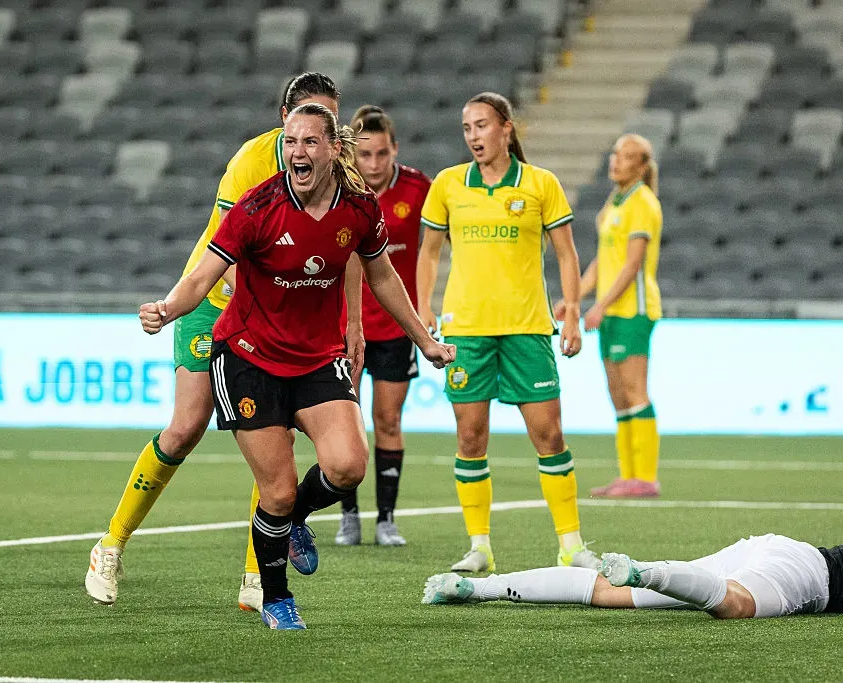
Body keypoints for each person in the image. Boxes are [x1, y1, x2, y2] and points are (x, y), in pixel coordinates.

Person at [137, 103, 455, 629]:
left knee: (348, 467)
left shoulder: (358, 208)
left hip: (316, 359)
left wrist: (424, 339)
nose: (297, 153)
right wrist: (167, 309)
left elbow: (383, 278)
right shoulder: (257, 207)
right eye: (290, 142)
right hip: (248, 359)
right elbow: (202, 278)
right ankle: (277, 597)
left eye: (310, 142)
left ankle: (297, 519)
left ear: (333, 148)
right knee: (277, 491)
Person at [83, 73, 360, 613]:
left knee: (281, 438)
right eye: (304, 118)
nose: (314, 134)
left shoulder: (337, 171)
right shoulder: (250, 162)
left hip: (279, 315)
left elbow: (344, 250)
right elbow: (229, 258)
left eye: (327, 124)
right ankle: (110, 546)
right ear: (284, 117)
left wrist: (352, 324)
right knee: (185, 428)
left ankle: (257, 577)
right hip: (212, 302)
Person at [416, 92, 593, 574]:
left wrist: (573, 312)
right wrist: (423, 308)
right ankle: (480, 548)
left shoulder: (540, 184)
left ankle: (571, 546)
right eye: (467, 128)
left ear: (506, 129)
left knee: (550, 436)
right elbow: (428, 253)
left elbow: (567, 254)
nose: (473, 136)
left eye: (482, 126)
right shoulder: (449, 184)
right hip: (465, 332)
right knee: (470, 438)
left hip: (527, 329)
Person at [334, 105, 432, 548]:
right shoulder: (337, 190)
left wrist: (427, 307)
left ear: (395, 150)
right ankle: (348, 516)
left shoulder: (419, 189)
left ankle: (386, 519)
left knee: (387, 419)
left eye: (381, 155)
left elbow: (435, 248)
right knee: (345, 421)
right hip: (342, 325)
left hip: (394, 328)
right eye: (365, 155)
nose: (373, 165)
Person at [423, 532, 843, 618]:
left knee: (606, 594)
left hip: (779, 551)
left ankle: (476, 587)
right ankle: (648, 571)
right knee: (736, 606)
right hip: (812, 575)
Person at [574, 134, 663, 499]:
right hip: (613, 311)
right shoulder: (616, 201)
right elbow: (602, 260)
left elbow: (632, 264)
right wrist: (576, 296)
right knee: (617, 394)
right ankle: (628, 476)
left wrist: (600, 305)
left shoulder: (642, 202)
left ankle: (645, 478)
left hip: (633, 311)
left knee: (634, 391)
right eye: (615, 154)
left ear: (642, 166)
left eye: (626, 157)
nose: (616, 161)